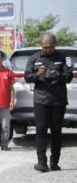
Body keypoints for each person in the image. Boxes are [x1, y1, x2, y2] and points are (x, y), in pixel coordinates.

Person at [25, 33, 73, 172]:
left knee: (56, 131)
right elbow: (27, 77)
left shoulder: (64, 58)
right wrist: (37, 74)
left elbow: (69, 77)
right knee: (40, 130)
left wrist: (59, 75)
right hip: (40, 99)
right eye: (44, 47)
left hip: (58, 100)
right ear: (41, 45)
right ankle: (42, 162)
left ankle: (54, 162)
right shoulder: (34, 58)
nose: (47, 49)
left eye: (50, 47)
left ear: (54, 45)